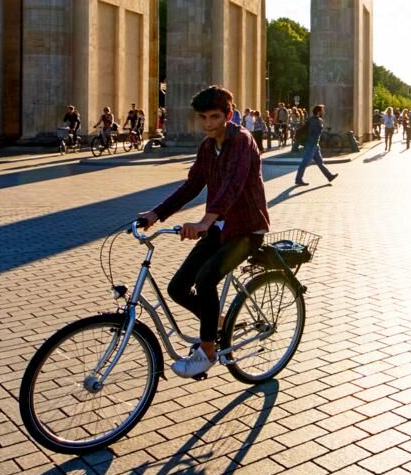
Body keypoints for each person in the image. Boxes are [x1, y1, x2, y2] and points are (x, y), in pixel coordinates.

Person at [136, 84, 269, 378]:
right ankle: (218, 321)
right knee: (177, 287)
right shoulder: (208, 147)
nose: (209, 124)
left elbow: (232, 186)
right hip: (220, 229)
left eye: (214, 117)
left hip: (247, 228)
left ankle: (207, 352)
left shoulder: (242, 141)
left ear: (228, 115)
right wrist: (155, 214)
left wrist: (204, 222)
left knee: (206, 278)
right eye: (204, 118)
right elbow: (192, 186)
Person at [294, 104, 336, 187]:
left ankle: (329, 176)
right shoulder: (315, 121)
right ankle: (298, 179)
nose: (324, 112)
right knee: (305, 162)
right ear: (318, 112)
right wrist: (320, 126)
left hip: (314, 145)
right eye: (322, 110)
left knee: (320, 162)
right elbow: (313, 133)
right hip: (311, 144)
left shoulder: (315, 119)